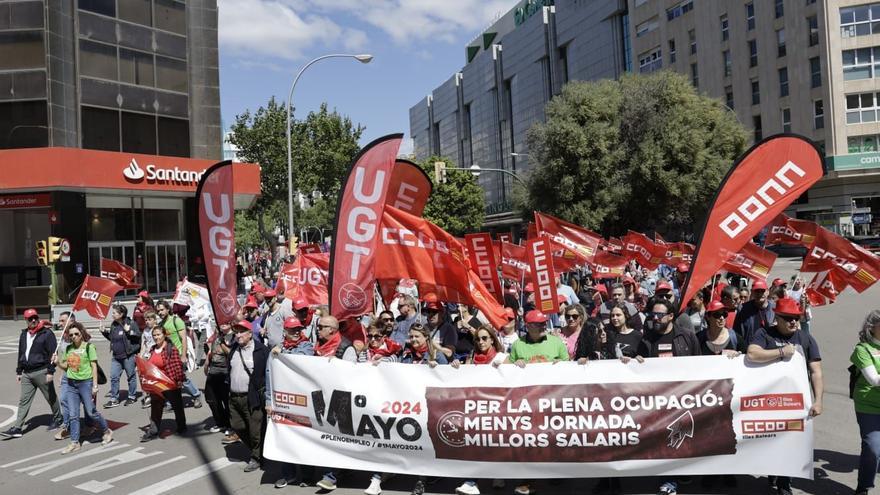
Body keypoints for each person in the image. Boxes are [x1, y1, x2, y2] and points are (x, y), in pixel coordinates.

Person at [747, 297, 823, 495]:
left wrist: (819, 400)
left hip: (795, 403)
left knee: (790, 441)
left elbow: (816, 371)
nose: (793, 322)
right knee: (771, 439)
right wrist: (781, 351)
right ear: (777, 318)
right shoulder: (764, 333)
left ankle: (784, 482)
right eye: (788, 318)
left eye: (796, 318)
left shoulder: (806, 338)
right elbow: (752, 354)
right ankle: (774, 470)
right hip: (768, 401)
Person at [636, 298, 699, 495]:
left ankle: (683, 470)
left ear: (671, 316)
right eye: (652, 315)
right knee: (665, 439)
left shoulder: (687, 336)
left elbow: (699, 364)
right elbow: (640, 367)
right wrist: (635, 361)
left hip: (683, 396)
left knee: (685, 437)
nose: (654, 318)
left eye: (659, 315)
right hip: (659, 398)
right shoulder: (646, 339)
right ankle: (668, 479)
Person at [506, 310, 568, 495]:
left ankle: (556, 472)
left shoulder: (556, 343)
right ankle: (528, 480)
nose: (543, 326)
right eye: (539, 324)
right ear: (528, 326)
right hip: (528, 403)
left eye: (544, 323)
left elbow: (569, 368)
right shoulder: (518, 345)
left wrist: (561, 364)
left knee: (553, 438)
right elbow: (507, 369)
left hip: (552, 400)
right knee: (530, 441)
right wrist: (513, 365)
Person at [451, 326, 507, 495]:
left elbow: (512, 379)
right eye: (478, 339)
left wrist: (512, 365)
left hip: (497, 406)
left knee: (492, 443)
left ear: (492, 339)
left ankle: (492, 475)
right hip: (476, 406)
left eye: (484, 338)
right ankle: (472, 481)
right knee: (478, 442)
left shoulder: (502, 357)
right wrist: (456, 366)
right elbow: (465, 378)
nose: (481, 342)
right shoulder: (472, 356)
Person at [267, 317, 316, 489]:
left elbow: (302, 360)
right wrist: (268, 400)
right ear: (285, 332)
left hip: (302, 401)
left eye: (298, 329)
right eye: (292, 329)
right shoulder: (275, 351)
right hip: (283, 401)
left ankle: (308, 475)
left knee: (304, 439)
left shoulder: (306, 346)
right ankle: (288, 475)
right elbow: (269, 374)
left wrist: (281, 352)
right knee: (285, 438)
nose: (296, 332)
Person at [2, 308, 63, 439]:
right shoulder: (24, 334)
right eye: (30, 319)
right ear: (26, 320)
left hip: (42, 371)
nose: (34, 320)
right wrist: (19, 371)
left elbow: (53, 353)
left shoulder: (46, 333)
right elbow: (21, 352)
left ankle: (58, 418)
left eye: (35, 317)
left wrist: (51, 371)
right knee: (24, 401)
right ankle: (17, 428)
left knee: (50, 397)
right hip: (27, 374)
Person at [56, 322, 113, 454]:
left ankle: (106, 430)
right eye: (71, 335)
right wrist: (58, 362)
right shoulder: (68, 349)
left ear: (81, 334)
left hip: (85, 383)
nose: (74, 336)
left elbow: (94, 367)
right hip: (71, 384)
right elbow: (66, 367)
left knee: (91, 411)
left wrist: (95, 386)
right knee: (73, 415)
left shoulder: (89, 347)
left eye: (76, 334)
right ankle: (74, 442)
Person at [228, 320, 269, 473]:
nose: (238, 335)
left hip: (252, 398)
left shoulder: (261, 351)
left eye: (241, 332)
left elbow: (268, 373)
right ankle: (257, 451)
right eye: (236, 332)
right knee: (237, 426)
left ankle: (257, 458)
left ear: (250, 333)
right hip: (234, 397)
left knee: (255, 431)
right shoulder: (234, 349)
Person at [140, 326, 187, 442]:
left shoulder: (171, 348)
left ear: (164, 335)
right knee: (155, 408)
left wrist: (179, 380)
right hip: (157, 384)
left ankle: (181, 427)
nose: (156, 337)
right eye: (154, 335)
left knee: (177, 407)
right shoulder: (151, 349)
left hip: (170, 383)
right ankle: (153, 431)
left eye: (158, 334)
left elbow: (177, 366)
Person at [851, 310, 880, 495]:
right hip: (868, 404)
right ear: (872, 327)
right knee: (872, 447)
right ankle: (864, 486)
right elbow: (875, 380)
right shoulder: (862, 349)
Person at [156, 300, 202, 408]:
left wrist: (183, 356)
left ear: (168, 309)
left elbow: (184, 339)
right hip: (167, 356)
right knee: (169, 380)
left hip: (178, 355)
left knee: (182, 379)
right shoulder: (161, 324)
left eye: (162, 309)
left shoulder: (176, 320)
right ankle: (171, 402)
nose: (160, 312)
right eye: (158, 311)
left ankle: (196, 395)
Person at [100, 304, 141, 408]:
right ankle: (114, 399)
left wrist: (129, 331)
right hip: (116, 357)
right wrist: (104, 332)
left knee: (131, 377)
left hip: (128, 356)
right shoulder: (114, 324)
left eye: (114, 313)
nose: (112, 315)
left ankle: (131, 396)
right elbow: (112, 338)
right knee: (114, 377)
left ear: (121, 314)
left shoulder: (130, 323)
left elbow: (138, 337)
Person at [204, 321, 233, 436]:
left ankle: (230, 425)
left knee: (226, 400)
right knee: (211, 398)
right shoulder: (217, 336)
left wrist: (222, 344)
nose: (223, 323)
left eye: (225, 322)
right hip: (213, 371)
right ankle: (220, 423)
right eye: (221, 322)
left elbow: (231, 354)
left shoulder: (234, 336)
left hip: (225, 372)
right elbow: (211, 352)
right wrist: (206, 364)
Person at [733, 279, 773, 344]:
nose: (760, 294)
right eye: (757, 291)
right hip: (749, 348)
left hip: (769, 349)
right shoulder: (743, 309)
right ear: (752, 292)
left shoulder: (775, 309)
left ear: (768, 292)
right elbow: (737, 332)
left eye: (762, 291)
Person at [424, 296, 457, 361]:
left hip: (442, 363)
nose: (431, 314)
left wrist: (434, 345)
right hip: (426, 361)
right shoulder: (424, 327)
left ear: (442, 313)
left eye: (434, 311)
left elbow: (449, 353)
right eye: (428, 311)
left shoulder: (449, 328)